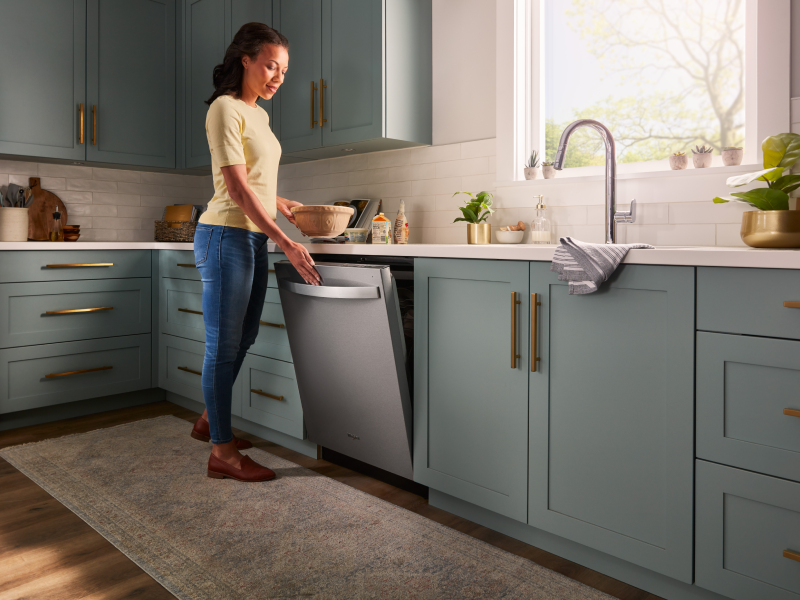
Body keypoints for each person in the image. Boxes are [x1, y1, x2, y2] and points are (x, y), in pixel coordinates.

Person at [189, 22, 320, 482]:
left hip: (251, 236)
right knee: (223, 347)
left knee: (243, 339)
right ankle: (222, 454)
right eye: (270, 65)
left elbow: (258, 185)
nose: (277, 77)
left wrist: (281, 204)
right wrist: (286, 239)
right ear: (244, 59)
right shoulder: (225, 109)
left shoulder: (259, 115)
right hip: (225, 236)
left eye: (283, 70)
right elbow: (237, 189)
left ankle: (210, 421)